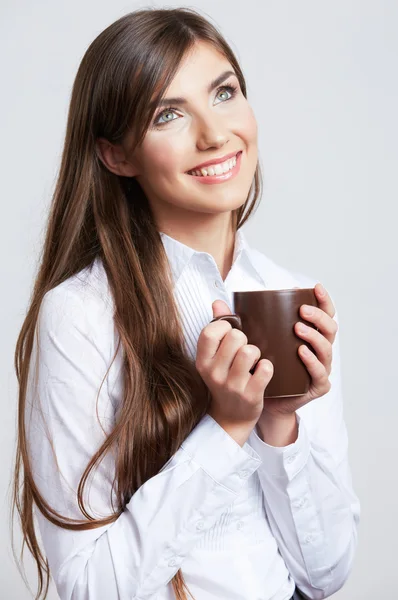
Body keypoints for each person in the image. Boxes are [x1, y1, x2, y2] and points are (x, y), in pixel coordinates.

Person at [10, 7, 360, 600]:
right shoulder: (82, 314)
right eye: (168, 114)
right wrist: (224, 429)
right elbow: (86, 587)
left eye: (223, 93)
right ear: (116, 155)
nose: (214, 134)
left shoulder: (288, 292)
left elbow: (323, 576)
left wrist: (281, 422)